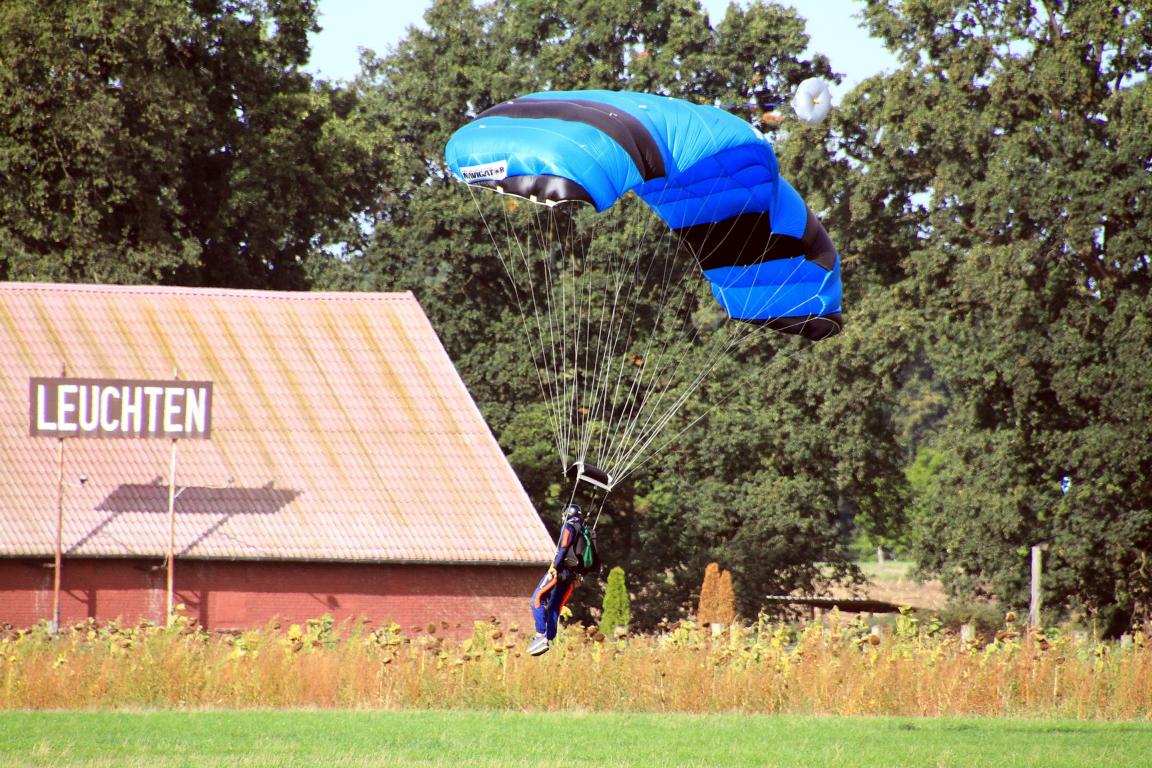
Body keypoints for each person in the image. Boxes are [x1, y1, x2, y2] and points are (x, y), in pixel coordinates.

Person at [527, 504, 587, 656]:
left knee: (537, 599)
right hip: (572, 575)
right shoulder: (583, 530)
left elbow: (563, 548)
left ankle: (540, 635)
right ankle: (548, 638)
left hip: (560, 572)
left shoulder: (569, 527)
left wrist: (555, 567)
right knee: (554, 606)